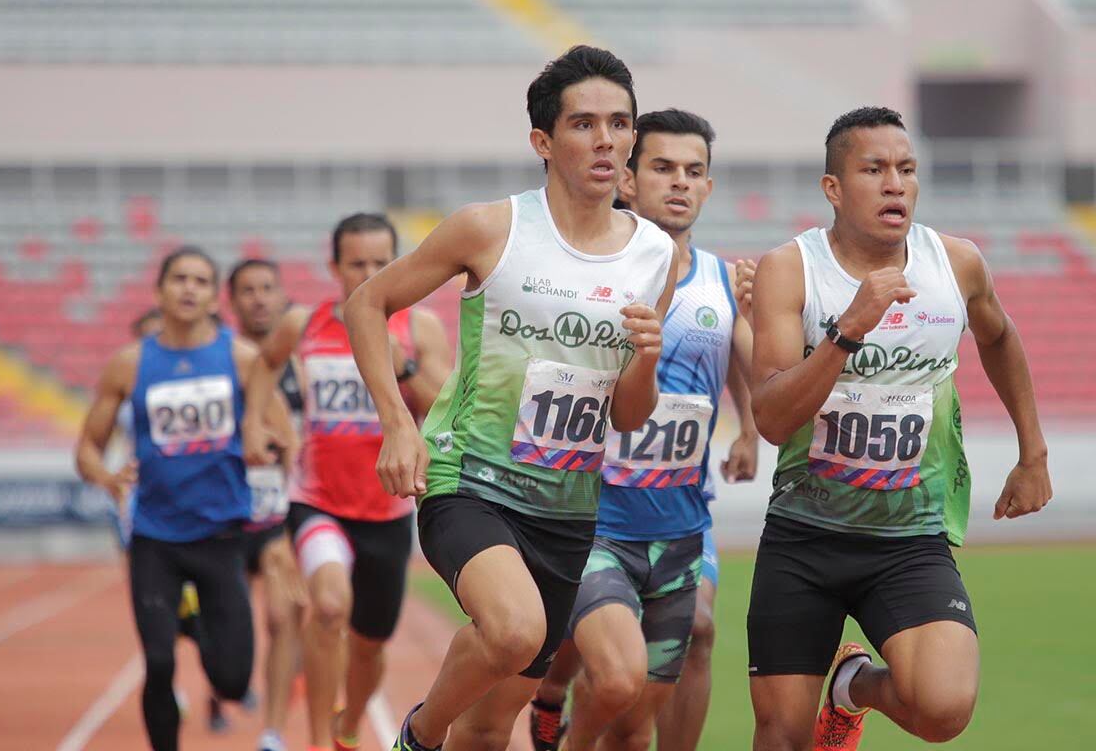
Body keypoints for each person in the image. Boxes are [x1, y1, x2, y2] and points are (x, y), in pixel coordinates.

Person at [343, 45, 679, 751]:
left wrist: (646, 359)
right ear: (543, 142)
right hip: (470, 481)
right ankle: (419, 736)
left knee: (493, 726)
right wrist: (397, 425)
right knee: (515, 629)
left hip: (566, 509)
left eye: (619, 123)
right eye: (584, 124)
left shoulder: (654, 254)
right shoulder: (491, 228)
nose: (606, 140)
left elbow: (627, 414)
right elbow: (367, 303)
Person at [744, 106, 1052, 751]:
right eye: (875, 169)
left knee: (943, 710)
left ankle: (851, 688)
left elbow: (999, 335)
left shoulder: (955, 264)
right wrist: (848, 330)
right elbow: (771, 418)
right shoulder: (791, 269)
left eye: (907, 169)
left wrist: (1033, 453)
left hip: (908, 539)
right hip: (805, 535)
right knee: (783, 738)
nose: (896, 184)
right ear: (833, 188)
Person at [526, 108, 758, 751]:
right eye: (662, 167)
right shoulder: (593, 272)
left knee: (696, 636)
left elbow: (742, 358)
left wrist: (746, 429)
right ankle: (554, 690)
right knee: (611, 663)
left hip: (680, 509)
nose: (680, 182)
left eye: (694, 171)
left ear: (708, 186)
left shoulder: (724, 280)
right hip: (593, 510)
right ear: (627, 179)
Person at [243, 214, 451, 751]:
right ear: (334, 267)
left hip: (388, 508)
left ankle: (348, 725)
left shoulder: (419, 328)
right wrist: (254, 423)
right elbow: (264, 365)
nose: (369, 273)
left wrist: (405, 369)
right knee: (330, 607)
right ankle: (318, 741)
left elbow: (448, 406)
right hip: (318, 503)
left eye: (381, 262)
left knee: (369, 645)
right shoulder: (304, 324)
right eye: (356, 263)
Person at [75, 246, 296, 751]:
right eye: (179, 279)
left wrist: (264, 444)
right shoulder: (130, 364)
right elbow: (87, 446)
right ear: (159, 292)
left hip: (222, 536)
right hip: (154, 537)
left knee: (233, 681)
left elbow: (285, 436)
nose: (189, 288)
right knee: (158, 662)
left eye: (200, 280)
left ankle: (196, 625)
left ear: (214, 297)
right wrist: (107, 477)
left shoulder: (241, 359)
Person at [228, 258, 308, 751]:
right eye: (247, 290)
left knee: (283, 616)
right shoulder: (222, 359)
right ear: (232, 301)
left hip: (281, 508)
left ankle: (272, 732)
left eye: (266, 288)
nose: (258, 299)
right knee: (222, 631)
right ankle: (225, 683)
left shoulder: (298, 363)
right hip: (224, 510)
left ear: (281, 296)